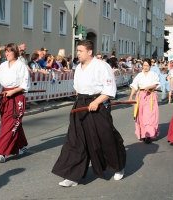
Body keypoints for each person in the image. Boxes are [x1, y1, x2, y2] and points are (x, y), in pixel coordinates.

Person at [52, 40, 126, 187]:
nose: (77, 53)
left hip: (97, 104)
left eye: (80, 51)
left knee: (105, 138)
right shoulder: (78, 67)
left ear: (89, 52)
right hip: (81, 104)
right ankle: (72, 176)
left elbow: (109, 89)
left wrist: (97, 101)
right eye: (77, 50)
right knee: (76, 140)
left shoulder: (101, 66)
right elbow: (78, 87)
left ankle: (118, 167)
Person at [0, 43, 30, 163]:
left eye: (10, 51)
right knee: (8, 123)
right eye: (6, 51)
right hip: (5, 97)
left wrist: (13, 91)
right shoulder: (3, 65)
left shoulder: (21, 66)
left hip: (16, 98)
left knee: (10, 125)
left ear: (15, 52)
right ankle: (23, 144)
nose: (7, 54)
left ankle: (1, 152)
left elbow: (24, 85)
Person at [129, 58, 160, 143]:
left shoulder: (153, 74)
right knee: (141, 115)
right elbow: (135, 86)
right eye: (144, 65)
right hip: (141, 96)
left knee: (149, 115)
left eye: (147, 65)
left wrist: (149, 87)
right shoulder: (139, 75)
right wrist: (131, 96)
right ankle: (142, 133)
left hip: (150, 96)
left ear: (150, 66)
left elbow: (156, 84)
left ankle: (149, 134)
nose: (145, 67)